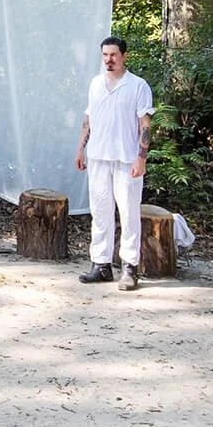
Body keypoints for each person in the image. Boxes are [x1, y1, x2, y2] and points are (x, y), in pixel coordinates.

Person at [75, 36, 153, 291]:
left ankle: (130, 268)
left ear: (124, 56)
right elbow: (89, 118)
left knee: (129, 213)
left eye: (114, 55)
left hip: (126, 159)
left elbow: (145, 125)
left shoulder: (138, 86)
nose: (109, 59)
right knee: (100, 212)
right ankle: (101, 264)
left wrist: (141, 158)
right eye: (105, 55)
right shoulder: (96, 84)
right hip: (98, 157)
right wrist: (80, 149)